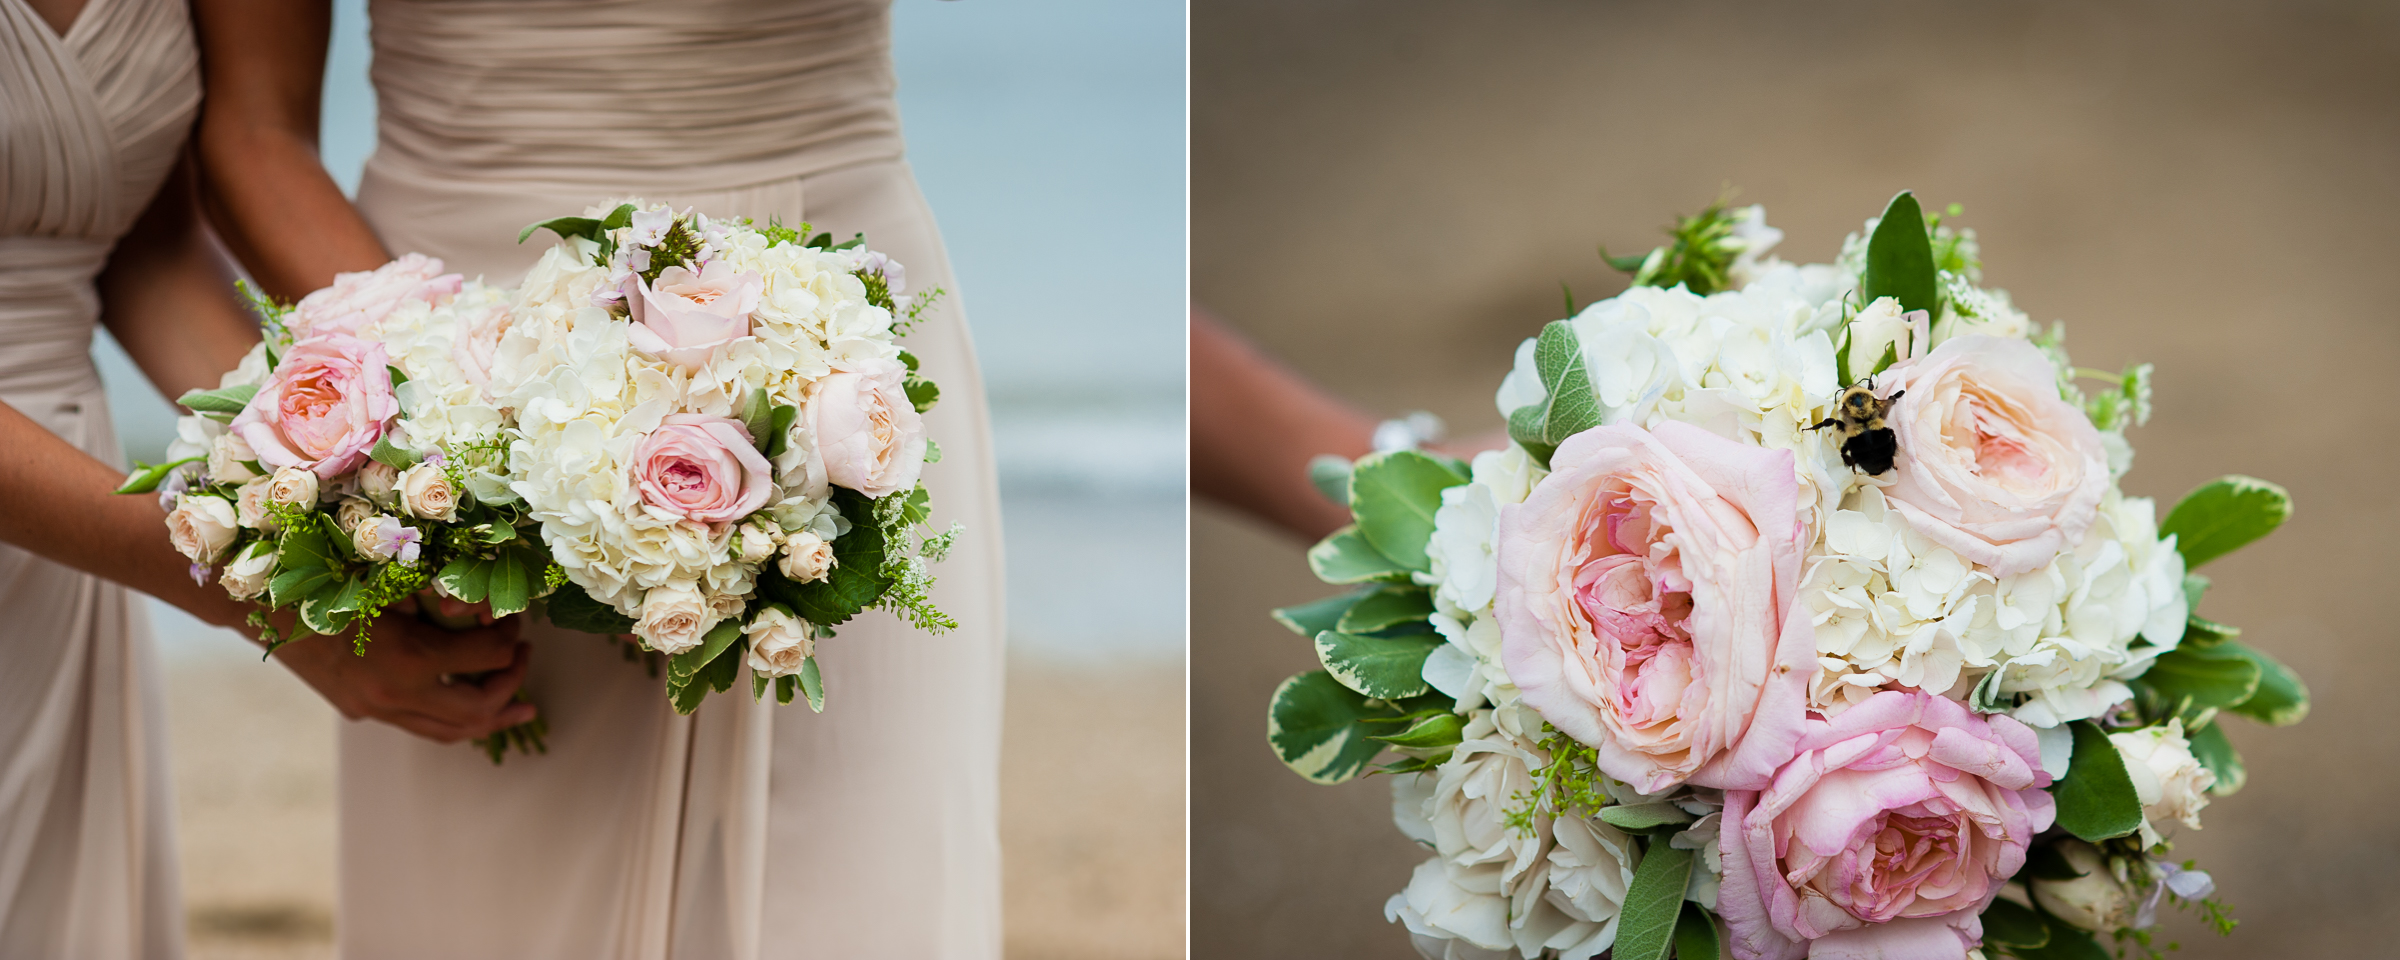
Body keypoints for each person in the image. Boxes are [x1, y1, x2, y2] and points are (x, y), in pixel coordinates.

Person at [193, 0, 1008, 956]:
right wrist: (450, 425)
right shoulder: (437, 405)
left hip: (827, 352)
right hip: (452, 331)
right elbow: (252, 130)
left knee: (864, 886)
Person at [0, 0, 528, 954]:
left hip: (68, 522)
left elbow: (139, 246)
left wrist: (347, 483)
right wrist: (251, 599)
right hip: (82, 517)